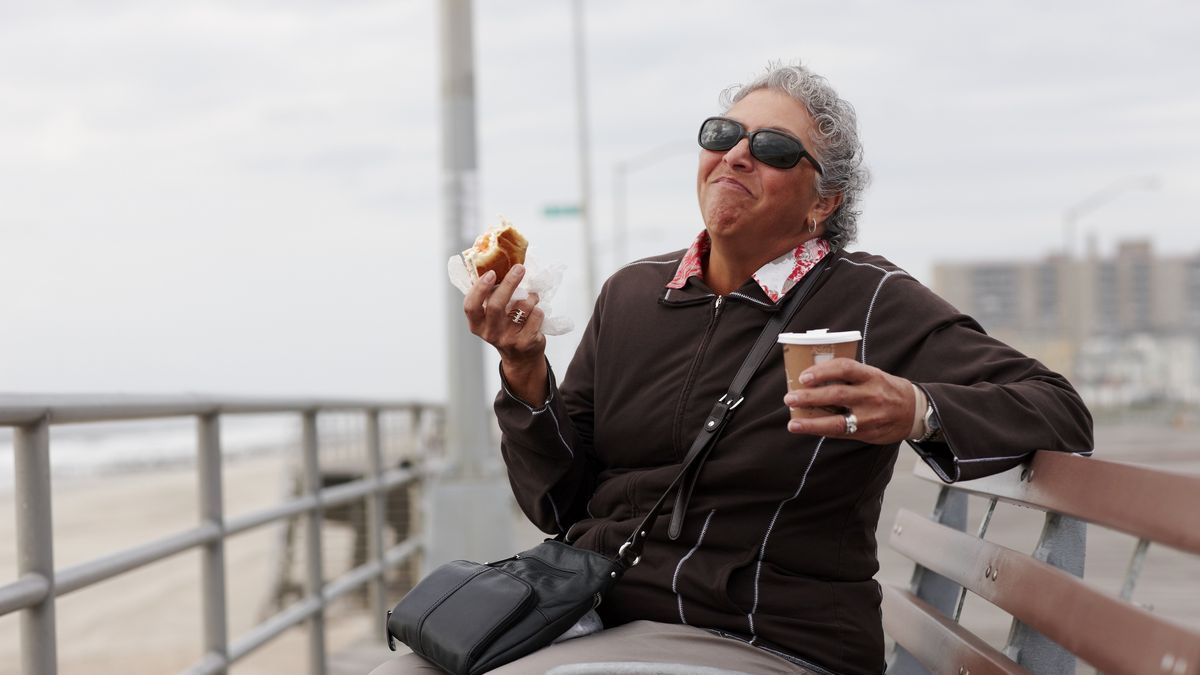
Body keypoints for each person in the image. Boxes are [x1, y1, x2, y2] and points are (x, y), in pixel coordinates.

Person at [373, 61, 1093, 675]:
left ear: (825, 202)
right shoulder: (631, 294)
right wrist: (524, 370)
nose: (737, 155)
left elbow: (1058, 406)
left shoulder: (870, 299)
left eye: (775, 148)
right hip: (598, 612)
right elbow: (558, 503)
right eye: (723, 135)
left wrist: (915, 407)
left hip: (767, 637)